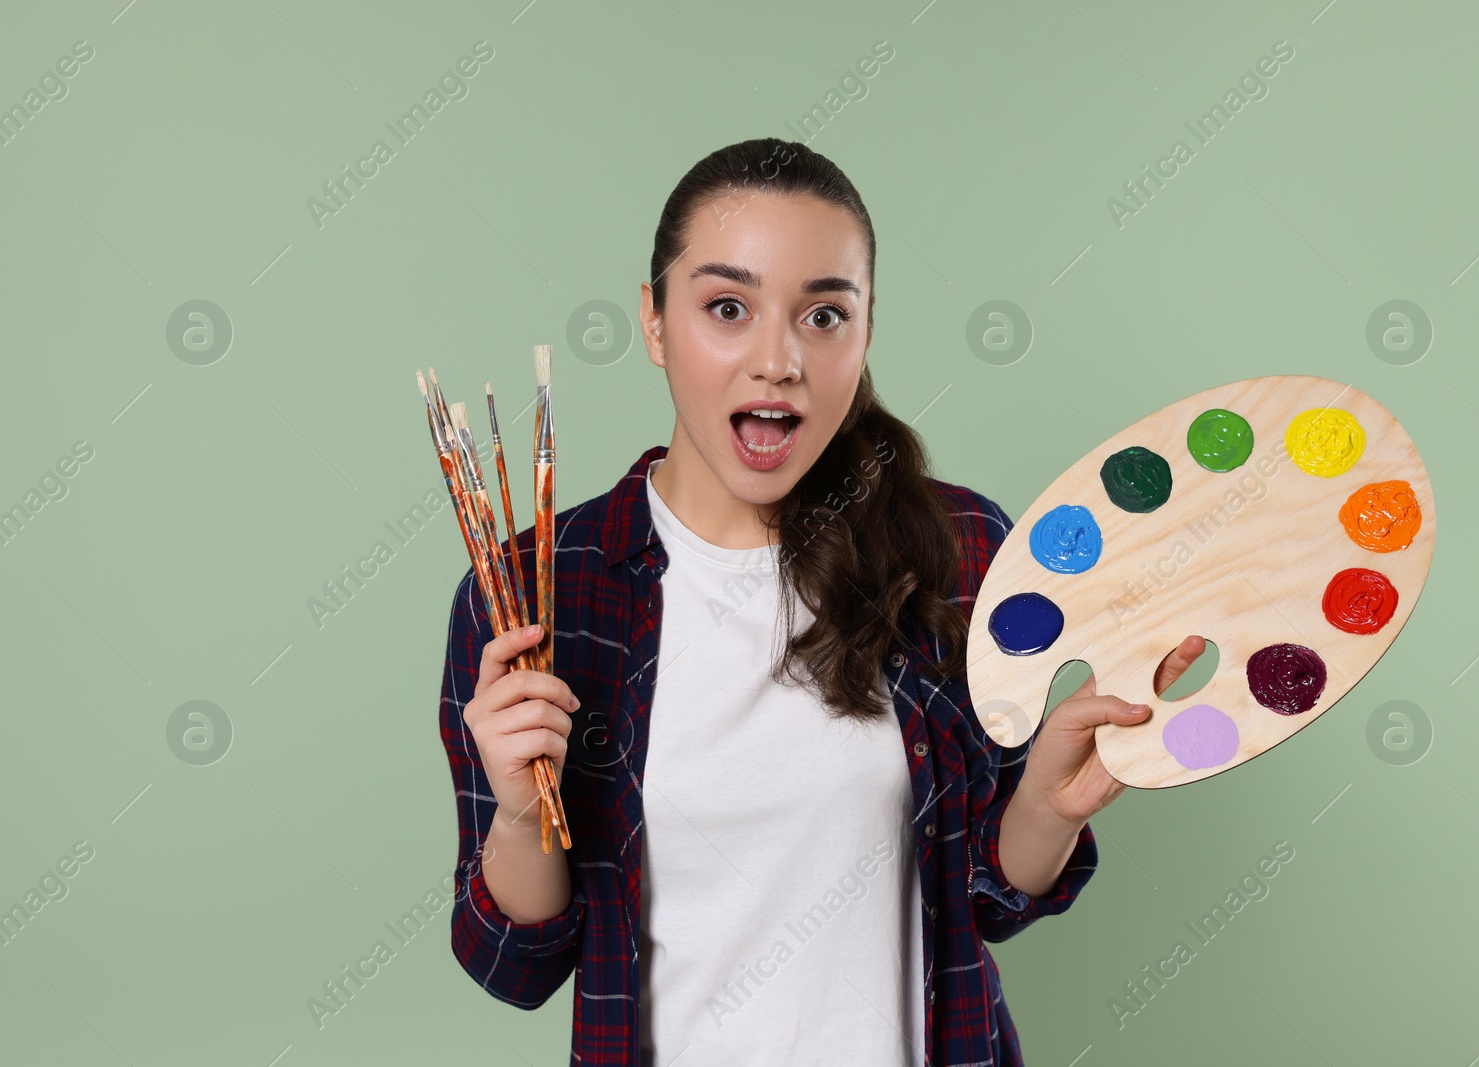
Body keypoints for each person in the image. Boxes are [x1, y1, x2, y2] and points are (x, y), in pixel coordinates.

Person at [438, 137, 1204, 1066]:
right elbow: (514, 966)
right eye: (727, 307)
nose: (778, 360)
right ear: (652, 321)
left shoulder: (959, 548)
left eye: (824, 316)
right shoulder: (541, 593)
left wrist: (1046, 806)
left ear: (867, 328)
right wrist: (522, 820)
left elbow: (990, 903)